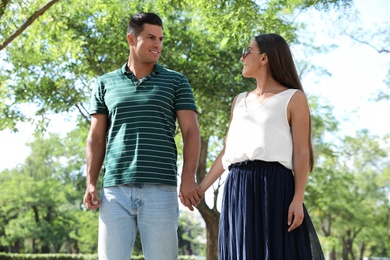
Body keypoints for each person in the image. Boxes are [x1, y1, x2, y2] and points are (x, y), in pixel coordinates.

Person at [181, 33, 324, 259]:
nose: (242, 57)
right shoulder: (239, 101)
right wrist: (202, 188)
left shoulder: (293, 98)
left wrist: (298, 199)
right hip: (237, 187)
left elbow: (301, 151)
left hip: (275, 188)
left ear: (265, 58)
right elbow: (228, 152)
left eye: (248, 51)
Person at [83, 12, 202, 260]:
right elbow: (95, 137)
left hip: (161, 188)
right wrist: (91, 182)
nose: (157, 44)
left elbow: (191, 132)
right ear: (131, 39)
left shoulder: (176, 82)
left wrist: (188, 178)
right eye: (150, 37)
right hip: (115, 190)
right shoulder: (105, 83)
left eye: (160, 38)